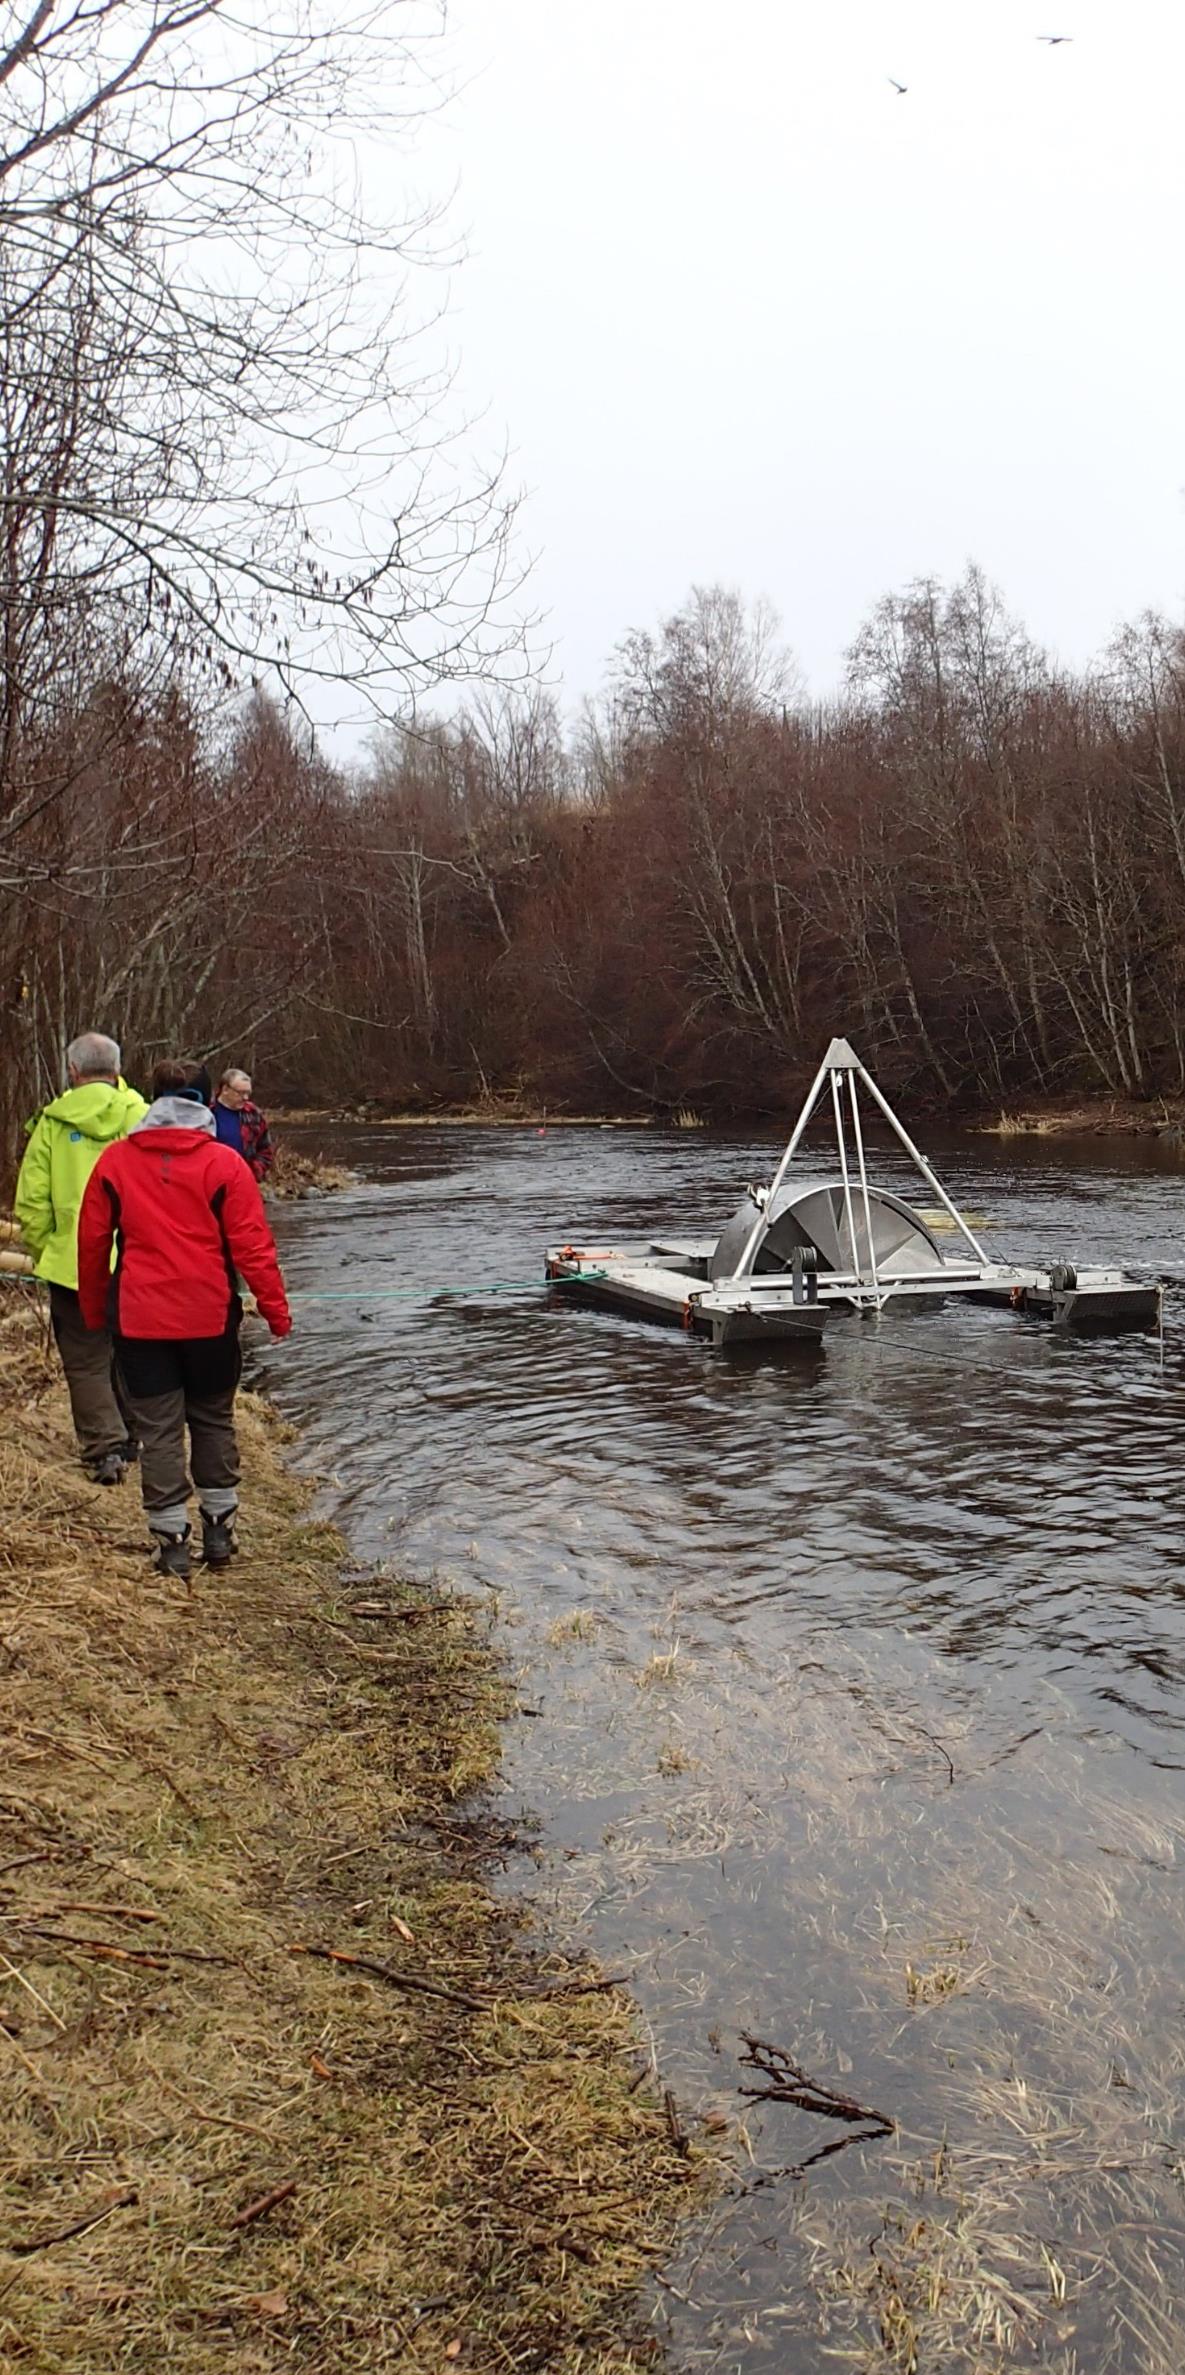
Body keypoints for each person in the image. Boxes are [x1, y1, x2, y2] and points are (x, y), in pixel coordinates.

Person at [77, 1058, 292, 1580]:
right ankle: (219, 1531)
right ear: (205, 1101)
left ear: (152, 1099)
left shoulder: (116, 1162)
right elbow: (253, 1247)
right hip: (210, 1316)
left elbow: (91, 1243)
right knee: (213, 1419)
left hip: (139, 1319)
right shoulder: (224, 1164)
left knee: (159, 1431)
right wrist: (274, 1311)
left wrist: (92, 1309)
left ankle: (172, 1543)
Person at [13, 1032, 147, 1484]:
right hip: (138, 1258)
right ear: (118, 1067)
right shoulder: (143, 1117)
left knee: (86, 1359)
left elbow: (31, 1201)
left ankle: (105, 1450)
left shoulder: (52, 1123)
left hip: (73, 1261)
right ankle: (137, 1436)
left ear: (73, 1071)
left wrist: (46, 1247)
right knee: (133, 1350)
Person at [213, 1067, 275, 1183]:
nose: (245, 1098)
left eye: (248, 1093)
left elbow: (266, 1148)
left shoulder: (253, 1114)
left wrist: (255, 1170)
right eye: (241, 1093)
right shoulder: (206, 1112)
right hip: (211, 1178)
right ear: (225, 1089)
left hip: (243, 1180)